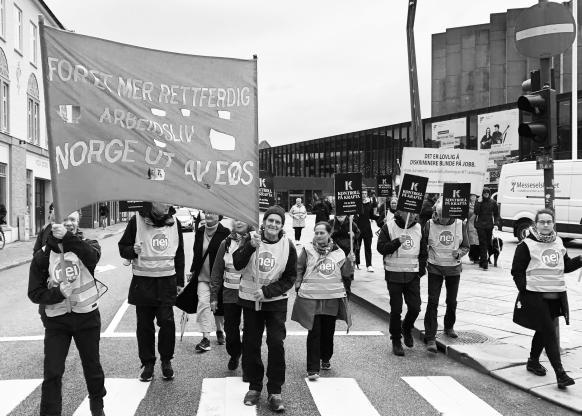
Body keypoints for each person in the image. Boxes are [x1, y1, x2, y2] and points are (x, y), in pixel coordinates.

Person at [28, 211, 106, 416]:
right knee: (52, 372)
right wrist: (57, 294)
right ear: (52, 222)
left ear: (78, 222)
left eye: (72, 219)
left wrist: (68, 238)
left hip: (87, 317)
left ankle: (97, 406)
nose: (68, 223)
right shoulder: (43, 255)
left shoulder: (89, 245)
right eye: (64, 219)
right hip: (57, 321)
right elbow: (34, 292)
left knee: (92, 367)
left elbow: (92, 257)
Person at [233, 205, 297, 412]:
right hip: (250, 301)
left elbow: (290, 278)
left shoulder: (288, 246)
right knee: (251, 344)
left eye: (278, 222)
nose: (273, 224)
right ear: (264, 222)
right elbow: (237, 264)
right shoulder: (251, 240)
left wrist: (268, 291)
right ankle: (254, 387)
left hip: (275, 302)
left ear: (281, 226)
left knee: (276, 343)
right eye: (270, 220)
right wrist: (250, 247)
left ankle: (275, 391)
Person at [511, 208, 582, 389]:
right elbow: (517, 271)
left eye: (548, 222)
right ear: (535, 224)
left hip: (555, 296)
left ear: (553, 224)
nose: (545, 225)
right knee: (549, 332)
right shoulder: (526, 245)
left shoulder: (558, 242)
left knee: (543, 331)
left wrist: (581, 259)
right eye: (541, 222)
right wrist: (525, 292)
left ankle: (533, 361)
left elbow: (566, 266)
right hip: (535, 296)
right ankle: (560, 374)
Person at [118, 202, 184, 382]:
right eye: (163, 201)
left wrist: (180, 282)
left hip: (167, 283)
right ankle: (147, 363)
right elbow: (123, 248)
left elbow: (179, 253)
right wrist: (132, 250)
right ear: (154, 202)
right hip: (143, 283)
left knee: (167, 323)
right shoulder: (136, 221)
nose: (168, 204)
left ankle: (166, 361)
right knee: (145, 327)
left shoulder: (175, 222)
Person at [291, 221, 354, 380]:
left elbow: (346, 274)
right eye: (316, 233)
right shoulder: (307, 250)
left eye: (322, 233)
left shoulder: (339, 252)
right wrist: (298, 284)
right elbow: (299, 268)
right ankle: (312, 369)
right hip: (312, 300)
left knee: (328, 333)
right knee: (314, 333)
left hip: (331, 300)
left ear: (329, 234)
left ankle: (325, 358)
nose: (318, 236)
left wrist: (350, 261)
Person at [377, 209, 427, 357]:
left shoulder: (419, 228)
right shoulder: (389, 227)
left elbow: (423, 252)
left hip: (412, 276)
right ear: (400, 212)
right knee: (396, 309)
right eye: (408, 212)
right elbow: (381, 248)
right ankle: (396, 340)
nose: (412, 216)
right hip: (394, 275)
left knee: (415, 308)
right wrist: (398, 241)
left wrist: (420, 270)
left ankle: (406, 327)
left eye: (414, 213)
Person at [422, 200, 469, 353]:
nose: (441, 218)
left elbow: (466, 246)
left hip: (453, 268)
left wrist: (459, 253)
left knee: (451, 301)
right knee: (433, 301)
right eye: (439, 215)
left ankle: (449, 326)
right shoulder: (429, 224)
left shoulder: (460, 224)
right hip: (434, 267)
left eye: (444, 215)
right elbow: (423, 244)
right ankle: (430, 337)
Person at [210, 220, 253, 372]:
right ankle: (235, 354)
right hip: (230, 293)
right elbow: (217, 270)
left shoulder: (255, 242)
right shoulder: (226, 243)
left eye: (242, 218)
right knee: (230, 329)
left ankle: (248, 360)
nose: (239, 221)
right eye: (236, 219)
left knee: (250, 330)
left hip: (249, 293)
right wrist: (214, 297)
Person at [191, 211, 230, 352]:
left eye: (212, 213)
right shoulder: (200, 231)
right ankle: (206, 338)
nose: (208, 215)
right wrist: (193, 270)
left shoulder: (225, 233)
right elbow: (196, 253)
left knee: (218, 307)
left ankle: (220, 330)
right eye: (206, 212)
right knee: (203, 304)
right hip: (202, 277)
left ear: (219, 216)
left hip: (219, 278)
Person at [331, 214, 360, 291]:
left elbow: (358, 233)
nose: (340, 215)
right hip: (335, 251)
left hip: (348, 250)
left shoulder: (351, 223)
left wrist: (354, 235)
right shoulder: (331, 223)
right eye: (338, 214)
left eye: (342, 214)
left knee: (347, 273)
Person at [474, 187, 500, 270]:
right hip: (480, 225)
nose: (486, 194)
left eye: (487, 193)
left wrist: (496, 224)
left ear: (489, 193)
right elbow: (476, 212)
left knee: (488, 243)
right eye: (484, 193)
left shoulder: (493, 202)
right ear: (482, 194)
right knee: (483, 243)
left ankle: (482, 261)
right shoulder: (479, 202)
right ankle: (485, 263)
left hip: (489, 225)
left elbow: (496, 214)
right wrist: (479, 202)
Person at [355, 190, 376, 272]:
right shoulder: (356, 204)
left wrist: (380, 218)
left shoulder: (369, 204)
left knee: (368, 248)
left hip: (367, 229)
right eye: (362, 193)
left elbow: (372, 216)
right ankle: (357, 263)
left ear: (367, 195)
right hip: (358, 228)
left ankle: (369, 265)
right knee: (357, 247)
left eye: (365, 194)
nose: (364, 195)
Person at [467, 194, 480, 263]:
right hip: (470, 224)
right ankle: (472, 255)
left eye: (474, 196)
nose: (473, 197)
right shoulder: (467, 205)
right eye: (472, 196)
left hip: (477, 224)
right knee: (472, 241)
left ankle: (476, 257)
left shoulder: (478, 204)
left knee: (477, 241)